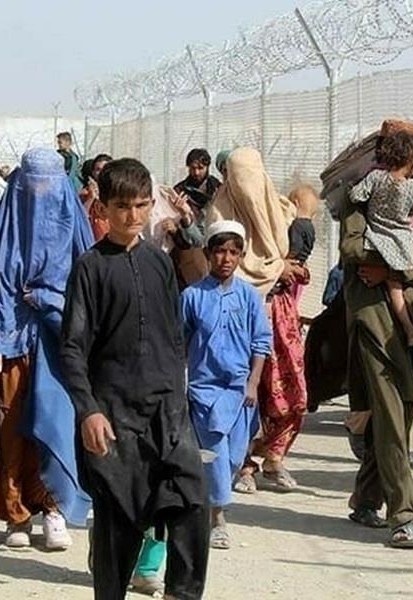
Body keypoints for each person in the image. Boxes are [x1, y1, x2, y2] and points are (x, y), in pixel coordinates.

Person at [61, 158, 209, 600]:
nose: (133, 216)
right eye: (123, 206)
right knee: (118, 524)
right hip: (114, 415)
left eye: (142, 205)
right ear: (103, 208)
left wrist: (180, 400)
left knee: (191, 504)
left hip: (167, 411)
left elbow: (172, 334)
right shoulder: (90, 267)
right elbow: (72, 347)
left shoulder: (159, 264)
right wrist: (88, 410)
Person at [339, 123, 413, 549]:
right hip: (373, 321)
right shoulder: (362, 195)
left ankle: (365, 498)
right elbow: (352, 249)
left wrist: (395, 267)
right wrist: (403, 262)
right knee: (388, 412)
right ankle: (402, 516)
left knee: (402, 413)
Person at [0, 147, 94, 550]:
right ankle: (15, 516)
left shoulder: (77, 234)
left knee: (55, 424)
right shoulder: (7, 227)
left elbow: (88, 292)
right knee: (11, 430)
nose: (40, 194)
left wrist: (48, 299)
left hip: (59, 344)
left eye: (49, 185)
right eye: (32, 185)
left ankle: (55, 508)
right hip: (11, 341)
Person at [206, 147, 309, 493]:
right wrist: (278, 268)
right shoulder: (219, 213)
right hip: (237, 314)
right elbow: (228, 266)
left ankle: (275, 459)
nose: (248, 188)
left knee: (291, 389)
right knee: (246, 389)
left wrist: (281, 267)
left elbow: (282, 249)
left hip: (280, 312)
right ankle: (244, 463)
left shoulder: (279, 208)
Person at [181, 220, 272, 551]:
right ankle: (217, 517)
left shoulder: (248, 296)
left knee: (234, 456)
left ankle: (212, 501)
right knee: (216, 454)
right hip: (205, 391)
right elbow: (180, 342)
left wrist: (253, 383)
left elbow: (261, 342)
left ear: (241, 256)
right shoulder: (191, 296)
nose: (226, 258)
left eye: (234, 252)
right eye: (219, 251)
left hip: (240, 391)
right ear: (208, 254)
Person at [350, 128, 413, 346]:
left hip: (382, 242)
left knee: (396, 289)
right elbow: (351, 248)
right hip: (403, 243)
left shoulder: (375, 180)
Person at [172, 148, 223, 249]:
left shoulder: (217, 188)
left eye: (200, 168)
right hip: (189, 243)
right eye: (193, 168)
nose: (196, 173)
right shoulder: (180, 191)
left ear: (207, 167)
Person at [286, 184, 319, 308]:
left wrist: (287, 258)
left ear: (295, 204)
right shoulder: (310, 227)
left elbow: (296, 245)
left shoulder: (297, 225)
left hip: (292, 264)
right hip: (301, 264)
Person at [80, 153, 113, 241]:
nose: (101, 173)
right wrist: (91, 198)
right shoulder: (85, 193)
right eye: (98, 170)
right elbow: (80, 217)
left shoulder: (118, 192)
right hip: (92, 239)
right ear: (93, 172)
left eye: (104, 169)